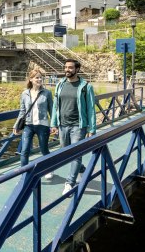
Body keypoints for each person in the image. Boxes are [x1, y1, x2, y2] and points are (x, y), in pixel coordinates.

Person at [50, 59, 96, 195]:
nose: (67, 70)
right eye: (65, 67)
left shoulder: (85, 86)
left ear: (77, 69)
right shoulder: (60, 84)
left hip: (78, 126)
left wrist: (91, 129)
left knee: (76, 154)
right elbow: (55, 106)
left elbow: (91, 108)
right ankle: (81, 169)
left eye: (70, 67)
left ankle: (70, 183)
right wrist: (53, 124)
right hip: (62, 125)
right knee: (66, 153)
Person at [13, 69, 54, 179]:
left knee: (44, 149)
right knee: (24, 150)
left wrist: (54, 125)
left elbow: (52, 110)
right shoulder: (25, 93)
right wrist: (16, 125)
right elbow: (22, 111)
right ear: (31, 79)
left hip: (43, 125)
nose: (39, 79)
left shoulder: (47, 93)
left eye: (41, 77)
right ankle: (24, 175)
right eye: (37, 77)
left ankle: (49, 169)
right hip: (28, 125)